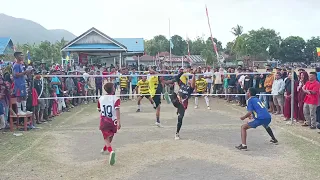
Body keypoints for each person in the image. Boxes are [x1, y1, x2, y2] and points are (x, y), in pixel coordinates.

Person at [98, 82, 121, 166]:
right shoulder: (116, 98)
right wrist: (118, 121)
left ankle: (111, 151)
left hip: (104, 120)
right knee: (110, 135)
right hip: (113, 120)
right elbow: (117, 109)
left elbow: (99, 109)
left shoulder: (101, 98)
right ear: (113, 89)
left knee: (105, 137)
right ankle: (105, 149)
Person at [171, 69, 196, 140]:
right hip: (176, 101)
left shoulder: (190, 89)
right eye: (189, 79)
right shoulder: (182, 85)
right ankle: (172, 100)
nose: (190, 81)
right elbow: (176, 78)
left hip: (182, 105)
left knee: (180, 118)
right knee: (173, 93)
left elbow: (193, 85)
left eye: (191, 80)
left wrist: (194, 75)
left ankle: (177, 133)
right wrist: (183, 72)